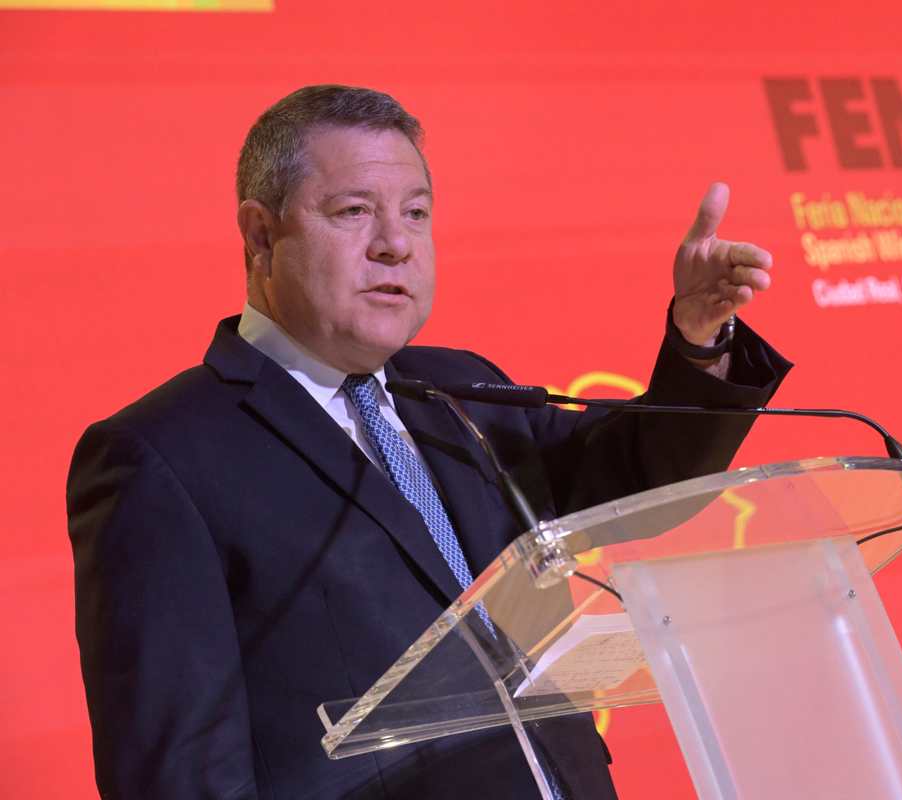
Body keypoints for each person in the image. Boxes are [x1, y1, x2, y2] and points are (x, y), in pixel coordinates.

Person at [67, 85, 791, 799]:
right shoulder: (162, 458)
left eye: (416, 213)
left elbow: (634, 481)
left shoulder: (459, 387)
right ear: (261, 235)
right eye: (355, 212)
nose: (395, 244)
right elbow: (179, 774)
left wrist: (700, 345)